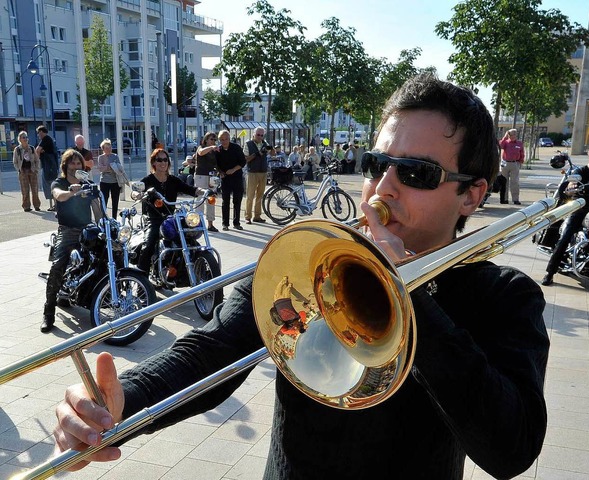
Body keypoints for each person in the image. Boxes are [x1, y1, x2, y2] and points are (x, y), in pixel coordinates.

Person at [52, 73, 549, 479]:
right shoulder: (311, 257)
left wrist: (409, 294)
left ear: (472, 194)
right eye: (377, 164)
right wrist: (122, 403)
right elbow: (214, 350)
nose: (384, 187)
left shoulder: (503, 295)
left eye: (416, 173)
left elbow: (512, 449)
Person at [541, 140, 589, 286]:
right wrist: (572, 187)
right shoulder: (580, 172)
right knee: (566, 236)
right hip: (579, 207)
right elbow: (571, 183)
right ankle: (550, 272)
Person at [41, 150, 93, 333]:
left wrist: (106, 223)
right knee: (57, 267)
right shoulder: (60, 183)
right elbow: (58, 195)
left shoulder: (88, 183)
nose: (76, 167)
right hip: (68, 231)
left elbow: (98, 208)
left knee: (110, 253)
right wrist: (71, 192)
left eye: (79, 164)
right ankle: (48, 312)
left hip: (88, 229)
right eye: (72, 163)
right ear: (65, 166)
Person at [136, 149, 209, 274]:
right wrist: (137, 194)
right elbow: (137, 190)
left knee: (189, 238)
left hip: (170, 218)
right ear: (154, 162)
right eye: (159, 160)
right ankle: (142, 282)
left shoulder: (173, 180)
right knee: (148, 246)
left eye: (165, 159)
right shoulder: (148, 180)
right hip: (154, 219)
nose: (162, 162)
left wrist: (205, 191)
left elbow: (191, 189)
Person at [215, 129, 246, 231]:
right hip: (225, 179)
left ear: (229, 139)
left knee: (237, 200)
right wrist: (220, 172)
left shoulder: (236, 148)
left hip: (236, 177)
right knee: (225, 201)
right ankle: (225, 223)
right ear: (219, 140)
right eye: (222, 140)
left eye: (226, 139)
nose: (224, 141)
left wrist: (233, 170)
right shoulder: (218, 150)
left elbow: (242, 162)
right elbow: (216, 165)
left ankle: (236, 222)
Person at [194, 131, 219, 232]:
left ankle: (210, 224)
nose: (213, 141)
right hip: (201, 176)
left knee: (211, 200)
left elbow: (217, 163)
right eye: (211, 139)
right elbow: (200, 153)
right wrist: (211, 147)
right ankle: (198, 224)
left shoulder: (214, 151)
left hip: (211, 177)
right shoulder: (201, 148)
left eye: (214, 139)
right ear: (206, 140)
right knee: (200, 199)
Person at [243, 127, 269, 224]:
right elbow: (245, 159)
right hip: (252, 172)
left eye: (262, 135)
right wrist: (257, 154)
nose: (260, 137)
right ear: (254, 134)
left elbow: (273, 153)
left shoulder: (265, 143)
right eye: (258, 135)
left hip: (263, 171)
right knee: (250, 195)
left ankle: (257, 216)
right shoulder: (248, 144)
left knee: (260, 196)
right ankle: (248, 216)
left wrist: (271, 149)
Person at [13, 131, 42, 212]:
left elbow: (37, 160)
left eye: (26, 137)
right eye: (23, 137)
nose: (25, 139)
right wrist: (19, 169)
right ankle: (26, 206)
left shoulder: (32, 148)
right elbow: (15, 162)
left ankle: (36, 205)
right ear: (20, 139)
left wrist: (36, 169)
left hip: (32, 171)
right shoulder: (17, 149)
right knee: (25, 190)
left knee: (35, 189)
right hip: (23, 172)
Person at [96, 139, 123, 218]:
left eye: (110, 147)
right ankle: (104, 218)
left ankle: (114, 218)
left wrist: (108, 168)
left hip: (115, 181)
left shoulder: (115, 156)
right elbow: (100, 168)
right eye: (106, 148)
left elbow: (119, 167)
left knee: (115, 201)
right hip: (104, 182)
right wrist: (110, 167)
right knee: (104, 201)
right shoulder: (100, 157)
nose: (109, 149)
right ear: (103, 149)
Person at [36, 125, 59, 211]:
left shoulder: (45, 139)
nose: (38, 135)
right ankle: (54, 205)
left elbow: (37, 150)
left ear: (41, 132)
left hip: (48, 166)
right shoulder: (50, 139)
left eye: (39, 133)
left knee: (50, 184)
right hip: (51, 165)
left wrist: (38, 157)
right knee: (51, 185)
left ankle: (55, 205)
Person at [498, 128, 524, 205]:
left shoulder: (519, 143)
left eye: (514, 134)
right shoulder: (505, 142)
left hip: (515, 163)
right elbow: (500, 145)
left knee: (515, 182)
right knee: (504, 182)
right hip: (505, 164)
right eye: (511, 134)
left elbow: (522, 153)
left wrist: (520, 162)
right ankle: (504, 199)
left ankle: (515, 199)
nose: (512, 136)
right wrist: (505, 137)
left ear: (516, 135)